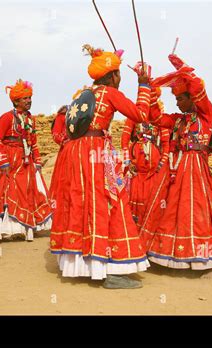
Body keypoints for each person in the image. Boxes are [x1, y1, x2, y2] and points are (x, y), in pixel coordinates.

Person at [50, 44, 151, 289]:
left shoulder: (81, 94)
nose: (119, 80)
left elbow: (65, 127)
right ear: (113, 75)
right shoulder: (110, 93)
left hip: (74, 153)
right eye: (119, 76)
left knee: (80, 200)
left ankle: (80, 264)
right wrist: (144, 85)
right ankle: (109, 269)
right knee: (107, 201)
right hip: (95, 151)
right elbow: (140, 115)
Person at [144, 53, 212, 277]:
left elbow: (199, 88)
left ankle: (204, 262)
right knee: (170, 210)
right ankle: (167, 256)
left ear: (191, 98)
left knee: (196, 209)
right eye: (176, 99)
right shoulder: (178, 120)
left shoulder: (206, 115)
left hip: (194, 169)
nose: (178, 103)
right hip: (174, 168)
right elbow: (155, 118)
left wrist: (183, 69)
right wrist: (149, 90)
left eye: (181, 98)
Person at [0, 79, 52, 241]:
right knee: (7, 190)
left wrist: (37, 160)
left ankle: (23, 227)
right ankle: (5, 228)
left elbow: (34, 141)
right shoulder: (6, 118)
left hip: (25, 161)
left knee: (26, 192)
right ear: (16, 100)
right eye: (25, 98)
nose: (29, 101)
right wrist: (2, 159)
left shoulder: (31, 119)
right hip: (9, 160)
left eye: (30, 98)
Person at [120, 103, 171, 242]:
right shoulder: (133, 116)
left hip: (153, 170)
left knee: (150, 200)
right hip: (135, 168)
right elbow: (124, 140)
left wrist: (161, 164)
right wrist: (127, 162)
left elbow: (166, 145)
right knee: (133, 198)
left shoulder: (160, 118)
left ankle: (148, 236)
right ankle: (131, 234)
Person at [49, 105, 69, 204]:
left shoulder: (89, 116)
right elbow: (56, 134)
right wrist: (68, 140)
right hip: (67, 153)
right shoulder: (63, 115)